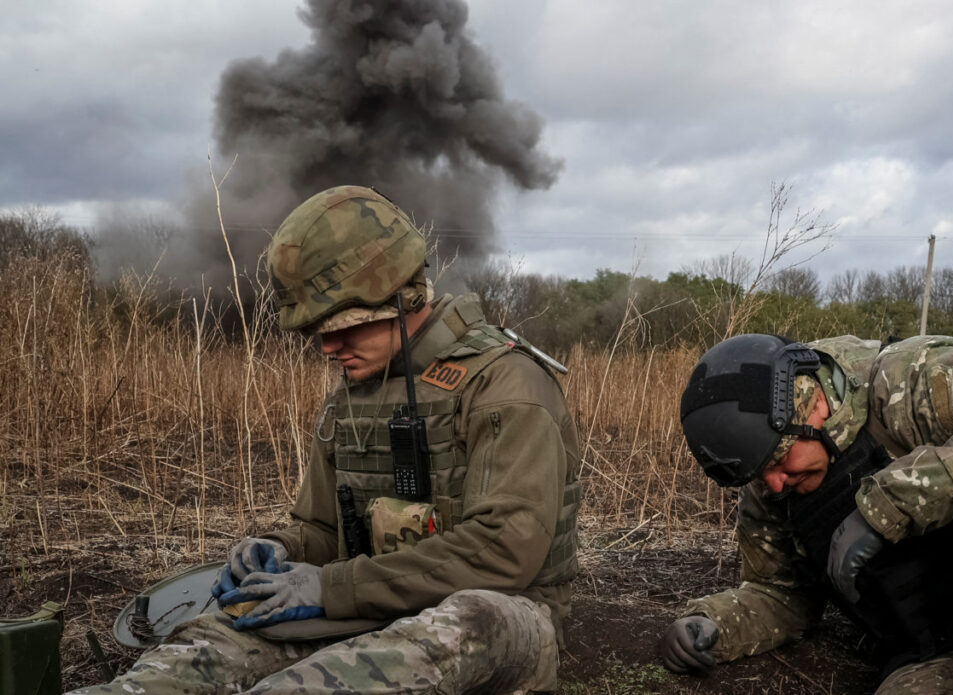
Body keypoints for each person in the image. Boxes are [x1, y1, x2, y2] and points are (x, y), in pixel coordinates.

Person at [69, 185, 580, 694]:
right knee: (207, 649)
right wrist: (277, 549)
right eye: (317, 330)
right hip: (368, 608)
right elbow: (323, 531)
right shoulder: (349, 399)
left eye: (345, 327)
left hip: (504, 618)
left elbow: (504, 552)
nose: (328, 347)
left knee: (465, 617)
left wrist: (332, 586)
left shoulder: (505, 384)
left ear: (404, 293)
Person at [662, 333, 953, 693]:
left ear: (815, 403)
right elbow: (781, 592)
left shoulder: (906, 381)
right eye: (758, 473)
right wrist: (713, 625)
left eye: (778, 459)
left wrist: (891, 503)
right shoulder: (772, 489)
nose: (774, 483)